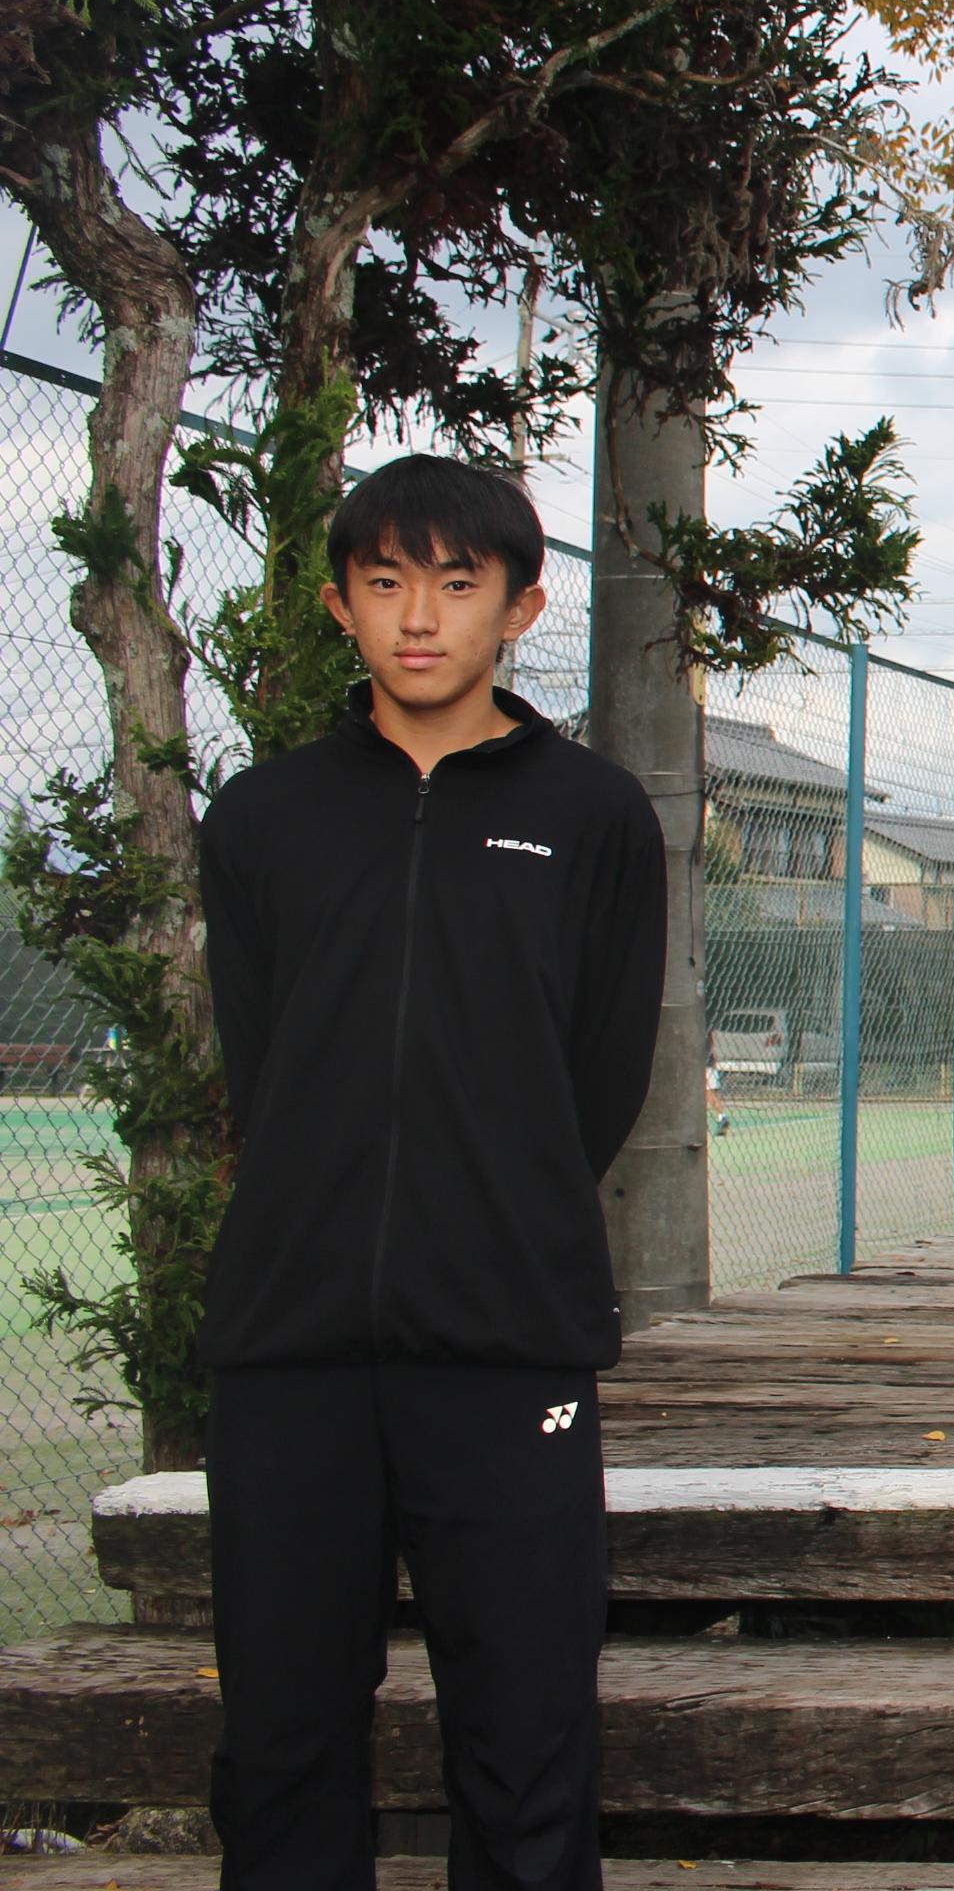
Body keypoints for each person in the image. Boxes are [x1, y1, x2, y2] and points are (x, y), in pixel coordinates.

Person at [196, 454, 666, 1891]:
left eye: (458, 584)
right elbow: (264, 1059)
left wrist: (493, 1214)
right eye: (386, 581)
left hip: (507, 1346)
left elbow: (598, 1076)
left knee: (526, 1748)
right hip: (290, 1354)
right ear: (337, 603)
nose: (420, 617)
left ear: (520, 608)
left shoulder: (594, 815)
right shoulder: (262, 817)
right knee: (281, 1747)